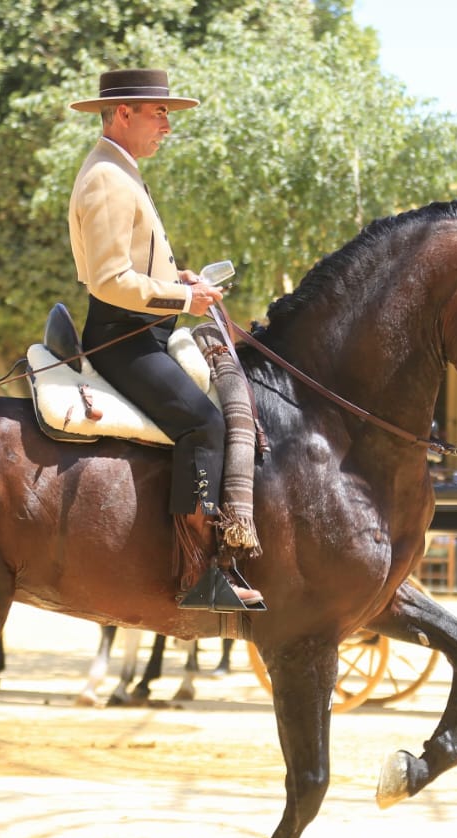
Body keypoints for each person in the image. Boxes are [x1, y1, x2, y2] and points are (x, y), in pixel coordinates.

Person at [67, 68, 260, 610]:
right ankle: (200, 574)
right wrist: (183, 301)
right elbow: (108, 281)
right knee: (204, 423)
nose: (167, 126)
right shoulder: (107, 176)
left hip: (144, 331)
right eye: (160, 113)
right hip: (122, 340)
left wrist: (180, 279)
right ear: (123, 113)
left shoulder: (120, 169)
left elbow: (136, 265)